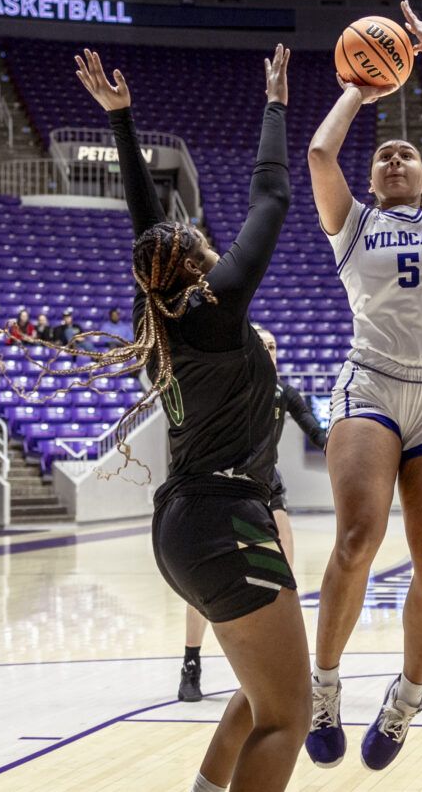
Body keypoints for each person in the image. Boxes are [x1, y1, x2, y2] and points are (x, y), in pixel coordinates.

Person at [69, 45, 307, 792]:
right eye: (198, 237)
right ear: (199, 264)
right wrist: (275, 106)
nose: (202, 232)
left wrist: (123, 123)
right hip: (224, 521)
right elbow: (271, 201)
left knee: (256, 694)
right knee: (287, 715)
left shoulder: (161, 316)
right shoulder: (211, 310)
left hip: (185, 523)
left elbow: (148, 229)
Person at [304, 0, 422, 772]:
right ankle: (323, 685)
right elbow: (316, 154)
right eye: (386, 157)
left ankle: (406, 698)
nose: (397, 161)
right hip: (371, 384)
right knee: (357, 538)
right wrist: (360, 89)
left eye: (407, 154)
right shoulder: (353, 225)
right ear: (373, 178)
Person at [178, 324, 328, 704]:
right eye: (263, 345)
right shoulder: (227, 387)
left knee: (283, 576)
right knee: (203, 585)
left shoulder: (283, 393)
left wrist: (339, 446)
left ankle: (281, 662)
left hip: (263, 485)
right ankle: (191, 663)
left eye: (274, 345)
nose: (270, 351)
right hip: (218, 484)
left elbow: (313, 428)